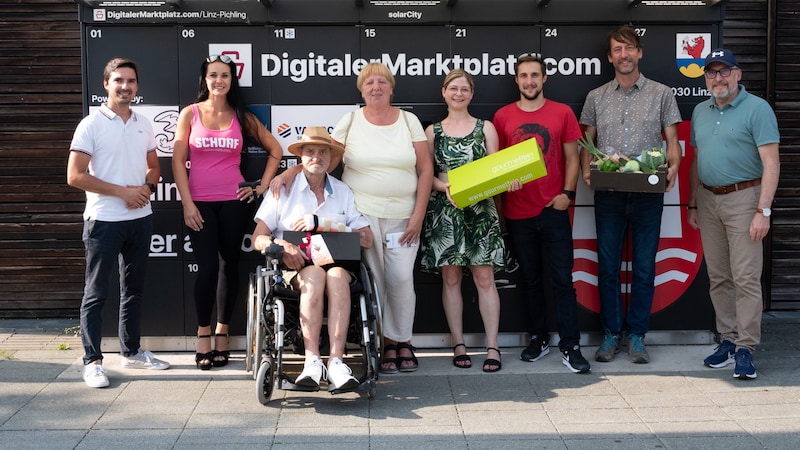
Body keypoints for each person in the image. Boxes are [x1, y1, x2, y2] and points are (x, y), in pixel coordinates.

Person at [270, 62, 433, 374]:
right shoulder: (351, 120)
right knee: (377, 282)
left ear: (391, 87)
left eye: (381, 82)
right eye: (369, 83)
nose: (375, 87)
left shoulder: (409, 121)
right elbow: (324, 158)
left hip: (404, 217)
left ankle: (404, 341)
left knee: (401, 280)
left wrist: (418, 216)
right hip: (363, 217)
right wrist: (293, 171)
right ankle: (386, 344)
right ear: (361, 89)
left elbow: (425, 169)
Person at [172, 54, 283, 370]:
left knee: (227, 266)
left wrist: (260, 187)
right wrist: (187, 203)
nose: (218, 80)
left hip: (235, 201)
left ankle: (223, 331)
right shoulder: (189, 114)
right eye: (212, 75)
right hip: (200, 204)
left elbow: (275, 150)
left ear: (232, 80)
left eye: (224, 75)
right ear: (204, 80)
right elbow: (178, 161)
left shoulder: (241, 116)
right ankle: (202, 333)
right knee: (206, 269)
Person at [579, 26, 682, 364]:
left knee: (643, 268)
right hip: (608, 193)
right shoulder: (596, 96)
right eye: (617, 50)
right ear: (610, 57)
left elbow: (672, 142)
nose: (624, 55)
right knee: (607, 267)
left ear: (639, 53)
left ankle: (637, 335)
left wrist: (673, 170)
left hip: (647, 194)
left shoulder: (662, 93)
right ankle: (610, 334)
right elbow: (586, 141)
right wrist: (585, 171)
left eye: (629, 49)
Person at [67, 57, 170, 388]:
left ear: (137, 86)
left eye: (131, 81)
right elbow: (75, 176)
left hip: (140, 220)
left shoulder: (143, 123)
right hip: (103, 222)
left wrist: (147, 188)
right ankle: (92, 361)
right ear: (106, 85)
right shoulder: (90, 124)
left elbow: (154, 166)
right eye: (119, 81)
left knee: (134, 290)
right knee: (96, 293)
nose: (125, 86)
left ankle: (131, 350)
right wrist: (122, 193)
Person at [252, 127, 372, 390]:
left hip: (337, 267)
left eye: (322, 152)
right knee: (316, 274)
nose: (316, 157)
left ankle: (337, 362)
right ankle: (313, 361)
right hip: (297, 268)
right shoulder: (282, 190)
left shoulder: (342, 191)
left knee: (337, 275)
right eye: (310, 152)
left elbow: (367, 239)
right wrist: (281, 244)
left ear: (330, 158)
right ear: (301, 158)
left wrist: (326, 224)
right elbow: (257, 238)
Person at [493, 54, 591, 374]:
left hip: (553, 209)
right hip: (518, 211)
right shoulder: (503, 116)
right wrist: (506, 181)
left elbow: (573, 158)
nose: (530, 81)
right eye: (524, 76)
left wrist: (568, 195)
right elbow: (497, 166)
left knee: (563, 280)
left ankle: (570, 344)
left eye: (535, 75)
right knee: (530, 280)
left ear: (545, 78)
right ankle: (538, 338)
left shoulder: (562, 112)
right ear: (516, 80)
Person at [688, 49, 780, 380]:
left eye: (723, 71)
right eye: (711, 73)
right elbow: (697, 160)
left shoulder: (758, 109)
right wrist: (693, 203)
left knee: (745, 277)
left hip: (745, 199)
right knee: (719, 276)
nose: (718, 78)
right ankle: (727, 340)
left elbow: (772, 162)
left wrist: (763, 211)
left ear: (737, 74)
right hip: (708, 200)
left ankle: (746, 348)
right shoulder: (700, 110)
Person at [420, 69, 505, 373]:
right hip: (445, 213)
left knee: (485, 279)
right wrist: (446, 188)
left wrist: (511, 180)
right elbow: (425, 176)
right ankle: (458, 343)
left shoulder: (487, 129)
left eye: (464, 89)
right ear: (443, 92)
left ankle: (492, 345)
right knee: (451, 279)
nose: (458, 93)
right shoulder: (433, 132)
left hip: (480, 212)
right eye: (453, 88)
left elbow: (497, 173)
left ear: (472, 94)